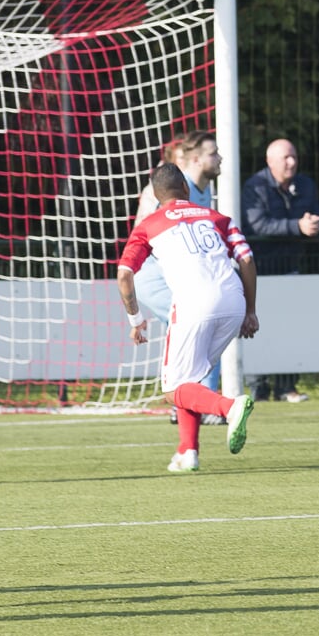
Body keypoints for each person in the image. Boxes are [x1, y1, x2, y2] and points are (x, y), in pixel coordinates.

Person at [116, 163, 260, 473]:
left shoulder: (149, 224)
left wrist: (135, 318)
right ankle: (187, 451)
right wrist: (250, 311)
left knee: (172, 388)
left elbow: (125, 274)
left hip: (194, 304)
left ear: (156, 197)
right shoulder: (218, 217)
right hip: (233, 300)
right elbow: (246, 259)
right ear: (185, 189)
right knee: (190, 379)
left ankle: (230, 406)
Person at [136, 132, 227, 422]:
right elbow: (147, 231)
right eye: (213, 153)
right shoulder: (175, 188)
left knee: (197, 332)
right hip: (153, 277)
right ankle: (199, 405)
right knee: (200, 327)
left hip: (171, 278)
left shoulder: (200, 191)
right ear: (197, 159)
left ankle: (189, 406)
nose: (220, 157)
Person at [241, 137, 319, 402]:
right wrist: (296, 227)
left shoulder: (306, 184)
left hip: (293, 267)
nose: (291, 162)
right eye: (285, 158)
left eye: (294, 157)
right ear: (269, 161)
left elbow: (318, 214)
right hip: (261, 270)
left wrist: (315, 223)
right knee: (256, 324)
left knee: (292, 326)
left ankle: (287, 386)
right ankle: (258, 386)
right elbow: (257, 226)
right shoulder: (254, 187)